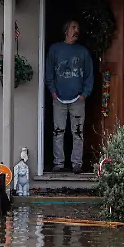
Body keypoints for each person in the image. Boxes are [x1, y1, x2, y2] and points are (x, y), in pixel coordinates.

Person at [45, 19, 94, 174]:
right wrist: (53, 92)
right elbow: (49, 73)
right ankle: (58, 163)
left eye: (78, 27)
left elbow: (89, 75)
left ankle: (77, 164)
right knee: (58, 131)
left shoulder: (83, 52)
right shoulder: (55, 49)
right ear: (66, 30)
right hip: (58, 99)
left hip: (77, 100)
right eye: (73, 27)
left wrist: (84, 95)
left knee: (78, 132)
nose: (76, 30)